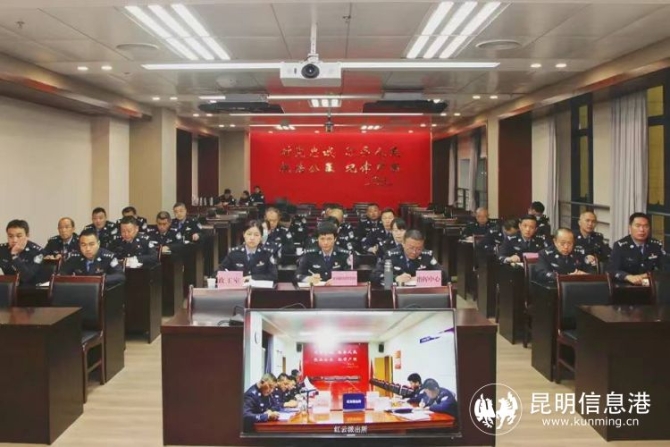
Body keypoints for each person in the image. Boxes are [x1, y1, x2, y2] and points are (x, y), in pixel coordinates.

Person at [371, 229, 448, 286]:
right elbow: (375, 275)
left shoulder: (427, 255)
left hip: (421, 294)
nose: (414, 252)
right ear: (403, 244)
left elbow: (444, 275)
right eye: (411, 248)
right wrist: (395, 278)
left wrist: (422, 278)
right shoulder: (392, 255)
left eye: (419, 249)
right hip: (397, 293)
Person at [608, 212, 665, 285]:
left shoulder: (655, 245)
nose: (642, 230)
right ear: (630, 228)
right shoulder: (620, 246)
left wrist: (647, 275)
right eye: (638, 226)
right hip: (627, 286)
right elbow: (612, 270)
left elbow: (665, 268)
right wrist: (628, 277)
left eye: (645, 226)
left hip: (651, 285)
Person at [59, 229, 125, 287]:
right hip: (79, 291)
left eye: (91, 244)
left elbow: (120, 276)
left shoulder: (108, 257)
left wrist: (99, 279)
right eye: (83, 245)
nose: (87, 249)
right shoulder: (74, 257)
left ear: (98, 244)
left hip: (102, 293)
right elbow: (62, 274)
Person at [0, 219, 44, 285]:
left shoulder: (37, 252)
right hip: (7, 288)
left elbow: (27, 277)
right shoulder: (2, 249)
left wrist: (14, 256)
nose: (14, 240)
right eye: (10, 236)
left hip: (31, 288)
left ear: (27, 236)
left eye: (19, 236)